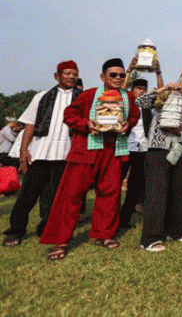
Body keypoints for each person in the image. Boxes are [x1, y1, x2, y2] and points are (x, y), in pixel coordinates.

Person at [39, 58, 140, 260]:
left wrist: (128, 124)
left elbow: (134, 116)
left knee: (110, 194)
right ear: (103, 77)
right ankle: (61, 241)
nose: (118, 78)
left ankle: (104, 234)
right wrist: (87, 124)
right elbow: (69, 114)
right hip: (86, 150)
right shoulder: (89, 95)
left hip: (113, 151)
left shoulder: (127, 97)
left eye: (121, 75)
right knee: (71, 196)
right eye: (113, 75)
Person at [2, 61, 82, 247]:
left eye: (74, 74)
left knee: (53, 196)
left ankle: (45, 228)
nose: (71, 76)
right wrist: (23, 151)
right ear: (57, 76)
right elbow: (29, 125)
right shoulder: (41, 97)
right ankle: (16, 230)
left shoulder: (81, 98)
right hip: (40, 152)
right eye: (67, 73)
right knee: (28, 193)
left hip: (65, 154)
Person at [137, 73, 182, 252]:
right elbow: (140, 103)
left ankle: (176, 231)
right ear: (178, 82)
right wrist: (164, 89)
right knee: (157, 193)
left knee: (179, 190)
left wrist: (181, 132)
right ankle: (151, 238)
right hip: (158, 148)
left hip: (177, 150)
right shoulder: (163, 98)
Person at [119, 78, 151, 228]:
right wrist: (130, 69)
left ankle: (125, 217)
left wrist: (158, 73)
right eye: (138, 88)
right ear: (132, 90)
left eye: (144, 89)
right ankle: (111, 215)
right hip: (125, 146)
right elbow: (121, 90)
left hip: (142, 148)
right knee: (116, 181)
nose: (141, 91)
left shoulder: (148, 106)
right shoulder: (126, 104)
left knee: (135, 184)